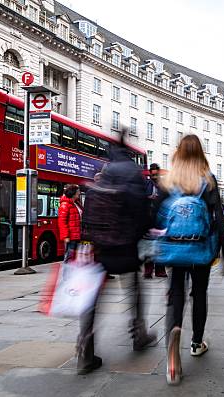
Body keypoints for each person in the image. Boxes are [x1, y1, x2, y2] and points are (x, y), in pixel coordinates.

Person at [154, 134, 224, 385]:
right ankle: (197, 342)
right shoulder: (207, 181)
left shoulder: (168, 181)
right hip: (199, 248)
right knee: (199, 293)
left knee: (176, 292)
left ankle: (174, 338)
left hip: (174, 249)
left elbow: (155, 216)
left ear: (178, 153)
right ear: (201, 154)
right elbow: (218, 217)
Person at [78, 133, 157, 375]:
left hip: (100, 246)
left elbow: (89, 208)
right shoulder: (132, 171)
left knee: (92, 298)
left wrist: (89, 238)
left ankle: (85, 348)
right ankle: (138, 334)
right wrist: (142, 231)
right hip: (125, 244)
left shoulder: (106, 171)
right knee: (134, 290)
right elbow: (142, 209)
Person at [143, 163, 167, 279]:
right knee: (148, 246)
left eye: (156, 175)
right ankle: (148, 270)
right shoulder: (146, 184)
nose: (154, 177)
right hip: (148, 219)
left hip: (161, 219)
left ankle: (160, 270)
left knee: (160, 246)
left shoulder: (164, 185)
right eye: (152, 175)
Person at [58, 184, 82, 262]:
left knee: (74, 257)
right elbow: (62, 221)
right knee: (69, 257)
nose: (79, 193)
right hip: (71, 236)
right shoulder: (65, 205)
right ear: (73, 193)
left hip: (77, 235)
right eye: (78, 191)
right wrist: (65, 236)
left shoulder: (76, 203)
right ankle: (65, 272)